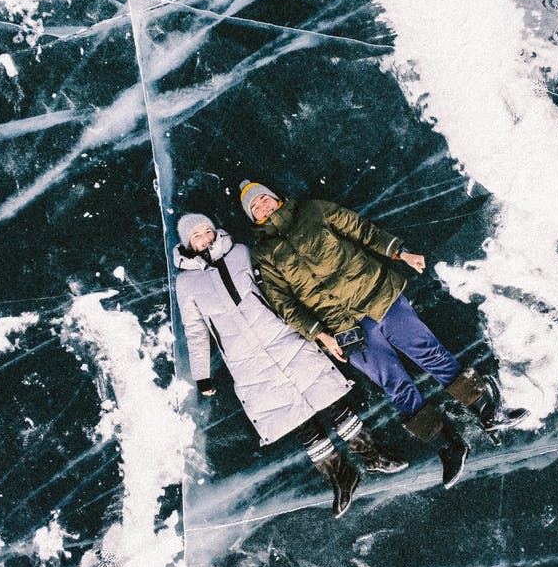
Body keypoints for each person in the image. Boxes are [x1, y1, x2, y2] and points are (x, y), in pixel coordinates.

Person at [239, 181, 528, 487]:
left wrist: (401, 253)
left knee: (431, 353)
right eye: (254, 207)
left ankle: (487, 412)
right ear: (252, 217)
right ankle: (449, 447)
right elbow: (284, 304)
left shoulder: (313, 211)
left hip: (379, 296)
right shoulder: (265, 254)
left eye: (263, 198)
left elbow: (361, 230)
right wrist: (321, 336)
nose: (262, 206)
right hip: (344, 329)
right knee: (396, 387)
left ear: (275, 198)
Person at [172, 212, 407, 518]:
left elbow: (275, 291)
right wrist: (202, 376)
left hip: (281, 338)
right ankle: (341, 476)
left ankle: (372, 455)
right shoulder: (186, 283)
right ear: (187, 243)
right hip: (246, 360)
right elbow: (195, 331)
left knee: (327, 397)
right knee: (293, 417)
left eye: (207, 231)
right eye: (197, 236)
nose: (205, 238)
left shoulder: (240, 252)